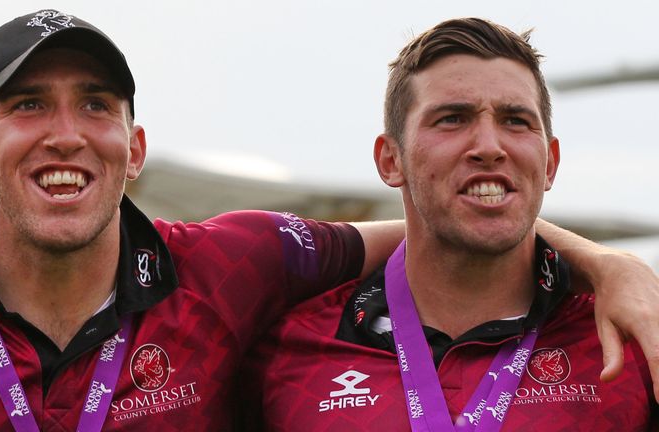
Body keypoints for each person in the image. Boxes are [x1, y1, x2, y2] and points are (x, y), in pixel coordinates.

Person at [0, 9, 655, 431]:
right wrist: (610, 261)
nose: (66, 133)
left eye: (96, 104)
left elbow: (447, 218)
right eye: (27, 105)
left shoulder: (233, 266)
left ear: (135, 150)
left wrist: (615, 267)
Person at [242, 18, 658, 431]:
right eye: (452, 119)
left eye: (515, 120)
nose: (489, 148)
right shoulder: (287, 350)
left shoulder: (637, 339)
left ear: (550, 162)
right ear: (391, 160)